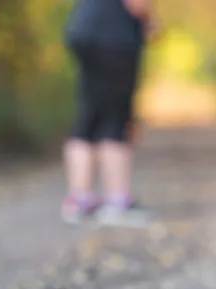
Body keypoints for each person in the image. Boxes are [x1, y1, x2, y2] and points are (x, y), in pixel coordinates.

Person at [60, 0, 155, 227]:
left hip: (84, 29)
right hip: (115, 36)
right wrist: (150, 20)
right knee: (116, 117)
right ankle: (116, 201)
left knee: (89, 116)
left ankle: (80, 199)